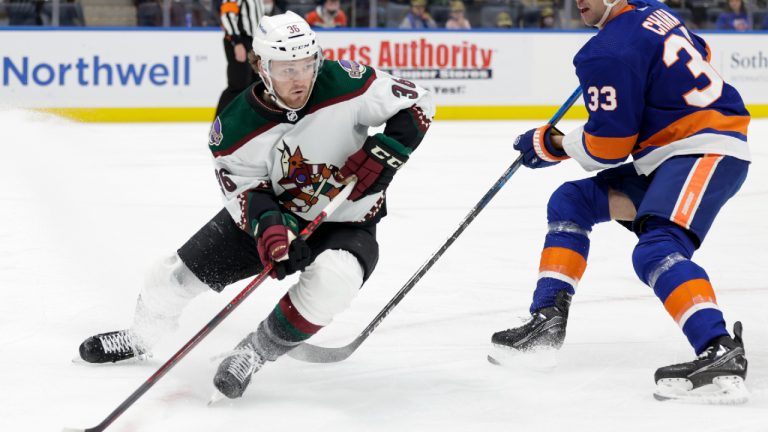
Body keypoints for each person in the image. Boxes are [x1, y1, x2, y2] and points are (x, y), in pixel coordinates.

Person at [77, 11, 434, 400]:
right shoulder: (234, 127)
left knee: (334, 282)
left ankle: (253, 352)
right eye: (286, 69)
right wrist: (271, 230)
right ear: (262, 67)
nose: (300, 78)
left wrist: (386, 153)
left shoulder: (345, 82)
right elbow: (247, 191)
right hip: (274, 217)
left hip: (346, 221)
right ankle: (141, 336)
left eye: (307, 65)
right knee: (170, 279)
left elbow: (418, 104)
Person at [490, 0, 750, 404]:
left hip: (704, 148)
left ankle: (718, 348)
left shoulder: (607, 51)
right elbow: (700, 50)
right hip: (670, 155)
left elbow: (608, 148)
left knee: (657, 248)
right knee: (571, 200)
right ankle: (547, 319)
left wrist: (551, 144)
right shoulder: (653, 10)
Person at [215, 0, 264, 116]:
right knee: (238, 84)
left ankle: (249, 122)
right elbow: (227, 15)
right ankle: (219, 125)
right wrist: (236, 42)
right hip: (240, 40)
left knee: (255, 84)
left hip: (254, 42)